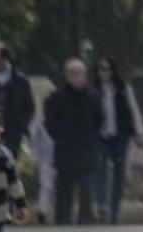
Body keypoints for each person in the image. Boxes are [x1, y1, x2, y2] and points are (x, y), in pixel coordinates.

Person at [45, 58, 101, 225]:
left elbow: (99, 120)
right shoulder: (56, 98)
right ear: (67, 76)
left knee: (86, 194)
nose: (77, 77)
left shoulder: (93, 97)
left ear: (85, 76)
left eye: (80, 73)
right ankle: (63, 225)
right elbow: (50, 123)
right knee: (64, 196)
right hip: (65, 152)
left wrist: (90, 139)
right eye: (73, 74)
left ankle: (85, 225)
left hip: (86, 152)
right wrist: (61, 138)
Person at [93, 57, 143, 224]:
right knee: (101, 169)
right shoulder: (94, 90)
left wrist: (138, 132)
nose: (104, 72)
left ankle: (115, 208)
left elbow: (133, 110)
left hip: (120, 136)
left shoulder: (122, 89)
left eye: (107, 69)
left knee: (119, 172)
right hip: (101, 136)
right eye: (101, 69)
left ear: (113, 71)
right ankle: (102, 205)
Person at [0, 43, 34, 160]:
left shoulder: (20, 82)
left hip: (11, 136)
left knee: (9, 169)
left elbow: (29, 107)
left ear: (3, 58)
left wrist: (20, 127)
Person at [0, 107, 29, 232]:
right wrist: (21, 205)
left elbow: (14, 183)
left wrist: (21, 205)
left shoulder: (3, 155)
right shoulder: (4, 154)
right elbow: (14, 183)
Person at [29, 78, 56, 224]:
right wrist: (35, 158)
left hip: (59, 157)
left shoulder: (59, 114)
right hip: (45, 158)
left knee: (53, 187)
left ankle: (52, 213)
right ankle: (43, 212)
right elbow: (35, 141)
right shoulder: (38, 120)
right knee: (46, 186)